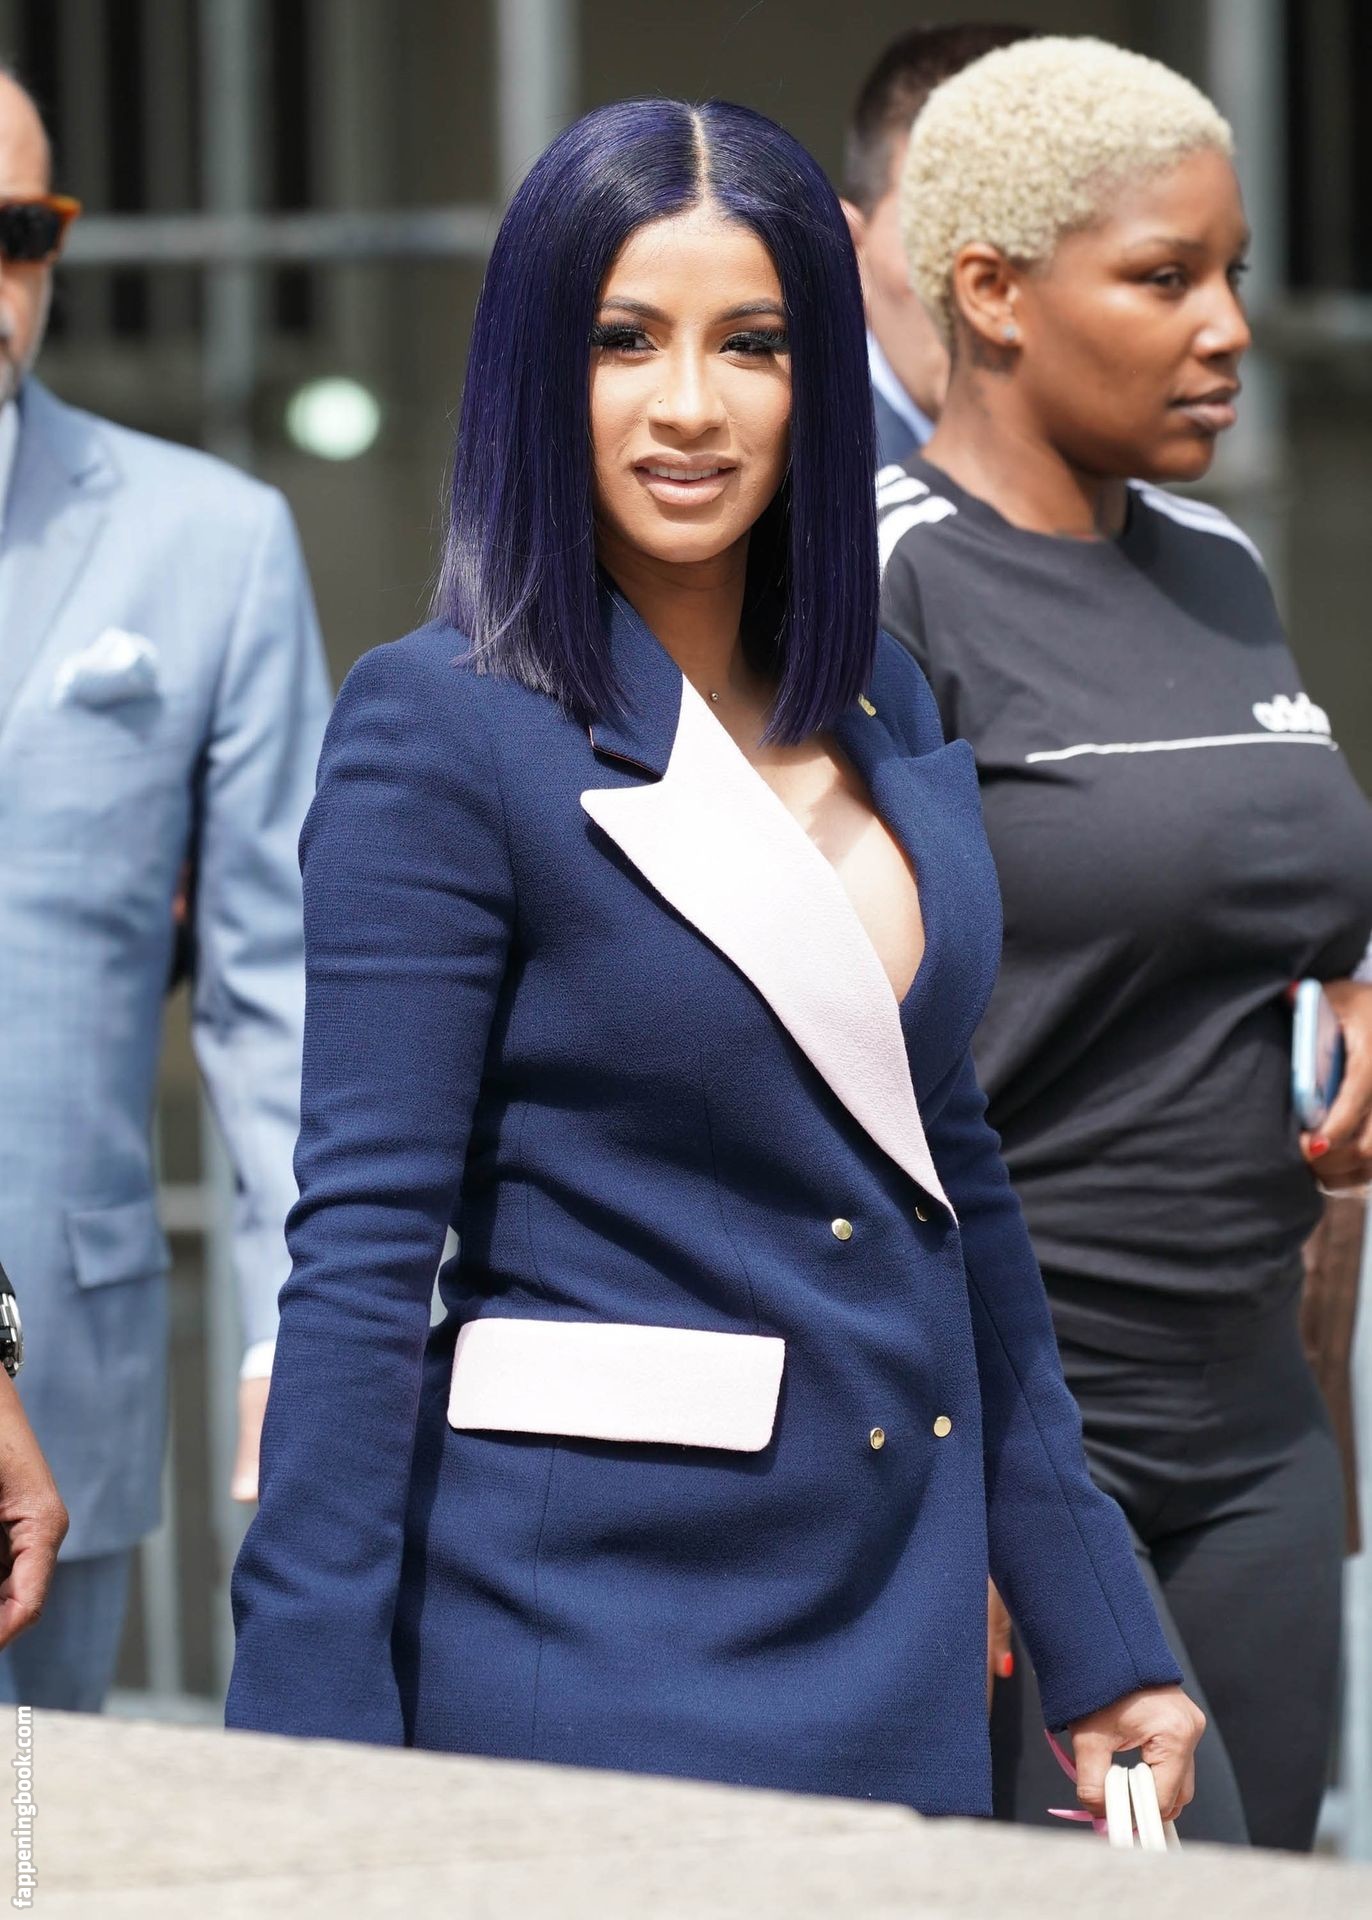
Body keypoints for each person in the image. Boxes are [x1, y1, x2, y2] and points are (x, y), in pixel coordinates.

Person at [227, 95, 1203, 1824]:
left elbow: (947, 1183)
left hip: (893, 1613)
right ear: (537, 370)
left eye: (752, 344)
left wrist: (1100, 1630)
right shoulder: (439, 725)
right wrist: (304, 1757)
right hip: (587, 1630)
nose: (691, 404)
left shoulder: (884, 695)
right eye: (625, 341)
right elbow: (362, 1261)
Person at [877, 37, 1372, 1849]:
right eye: (1164, 278)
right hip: (1025, 1420)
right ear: (991, 293)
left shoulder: (1217, 562)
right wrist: (938, 1493)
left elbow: (1277, 894)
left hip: (1258, 1408)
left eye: (1231, 271)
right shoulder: (876, 585)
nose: (1227, 327)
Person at [0, 67, 330, 1709]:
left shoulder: (213, 542)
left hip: (66, 1364)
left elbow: (282, 1003)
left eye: (18, 232)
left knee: (31, 1820)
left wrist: (293, 1339)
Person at [842, 21, 1032, 467]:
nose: (991, 294)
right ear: (851, 252)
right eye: (946, 233)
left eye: (1037, 237)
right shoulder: (792, 485)